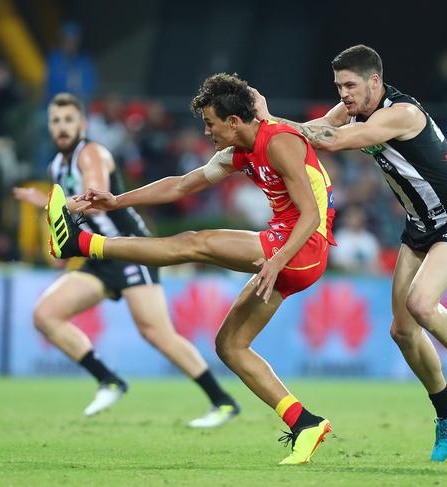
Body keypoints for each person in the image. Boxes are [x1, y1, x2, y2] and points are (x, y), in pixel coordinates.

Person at [47, 74, 336, 465]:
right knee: (229, 346)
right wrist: (115, 201)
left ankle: (80, 244)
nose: (206, 131)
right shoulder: (239, 152)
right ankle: (305, 423)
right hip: (285, 250)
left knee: (193, 242)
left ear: (234, 121)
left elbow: (311, 215)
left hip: (304, 246)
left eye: (211, 123)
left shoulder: (279, 141)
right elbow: (182, 185)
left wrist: (277, 260)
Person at [252, 44, 447, 462]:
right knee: (401, 331)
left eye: (350, 85)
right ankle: (445, 409)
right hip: (419, 226)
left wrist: (269, 120)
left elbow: (336, 140)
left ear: (374, 81)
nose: (343, 94)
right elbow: (312, 131)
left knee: (419, 303)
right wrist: (270, 124)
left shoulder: (402, 114)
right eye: (339, 85)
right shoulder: (353, 108)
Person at [14, 93, 238, 427]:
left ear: (82, 124)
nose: (62, 127)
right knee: (46, 315)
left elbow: (92, 198)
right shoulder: (57, 166)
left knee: (157, 333)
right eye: (55, 121)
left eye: (68, 120)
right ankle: (109, 380)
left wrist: (49, 204)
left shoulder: (90, 153)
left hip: (129, 249)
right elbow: (69, 216)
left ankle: (222, 401)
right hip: (98, 255)